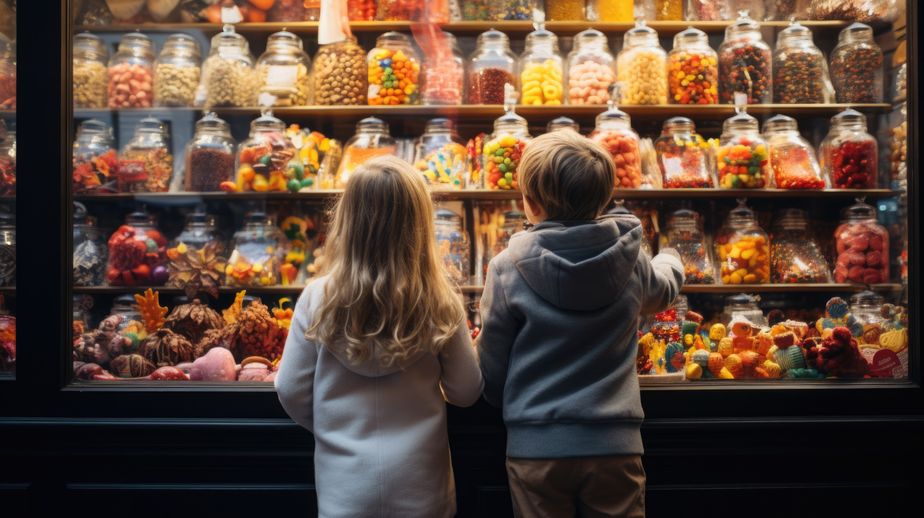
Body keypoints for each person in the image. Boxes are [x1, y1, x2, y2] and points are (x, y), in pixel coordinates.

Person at [477, 131, 684, 518]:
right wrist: (670, 257)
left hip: (535, 448)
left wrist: (500, 401)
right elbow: (663, 290)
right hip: (614, 446)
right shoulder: (632, 259)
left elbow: (491, 361)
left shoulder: (506, 267)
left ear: (532, 204)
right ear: (604, 199)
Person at [275, 156, 484, 518]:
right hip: (422, 488)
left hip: (344, 489)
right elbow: (466, 391)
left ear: (348, 220)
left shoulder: (317, 296)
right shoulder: (438, 299)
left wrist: (331, 427)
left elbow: (290, 390)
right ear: (419, 225)